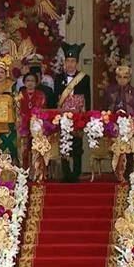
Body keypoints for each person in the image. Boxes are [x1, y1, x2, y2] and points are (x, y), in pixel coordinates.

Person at [54, 42, 91, 181]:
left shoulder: (84, 78)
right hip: (63, 115)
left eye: (73, 61)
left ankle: (76, 173)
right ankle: (66, 173)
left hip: (78, 116)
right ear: (65, 62)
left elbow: (88, 98)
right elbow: (56, 98)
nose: (70, 64)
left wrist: (87, 116)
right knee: (64, 143)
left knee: (77, 144)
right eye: (68, 61)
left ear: (77, 62)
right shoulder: (58, 78)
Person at [17, 73, 47, 168]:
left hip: (36, 125)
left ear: (36, 83)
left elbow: (42, 110)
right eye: (28, 81)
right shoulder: (19, 95)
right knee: (24, 149)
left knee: (36, 148)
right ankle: (24, 170)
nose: (30, 83)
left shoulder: (41, 95)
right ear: (24, 83)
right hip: (23, 125)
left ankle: (36, 171)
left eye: (32, 81)